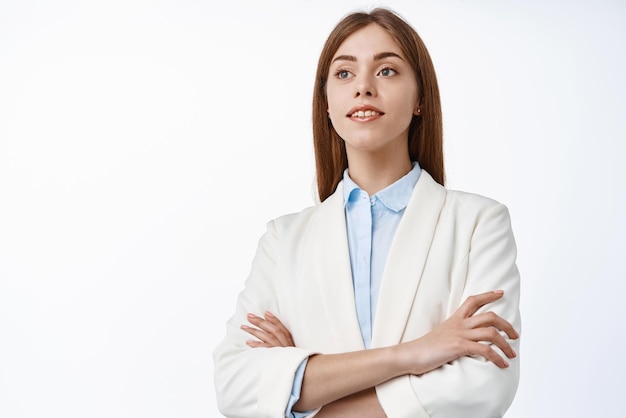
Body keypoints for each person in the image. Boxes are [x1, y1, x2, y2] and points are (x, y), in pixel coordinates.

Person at [213, 7, 520, 418]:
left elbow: (483, 384)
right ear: (326, 102)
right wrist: (414, 354)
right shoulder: (283, 240)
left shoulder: (479, 223)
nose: (363, 87)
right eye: (344, 74)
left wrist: (300, 384)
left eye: (387, 71)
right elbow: (235, 388)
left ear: (420, 99)